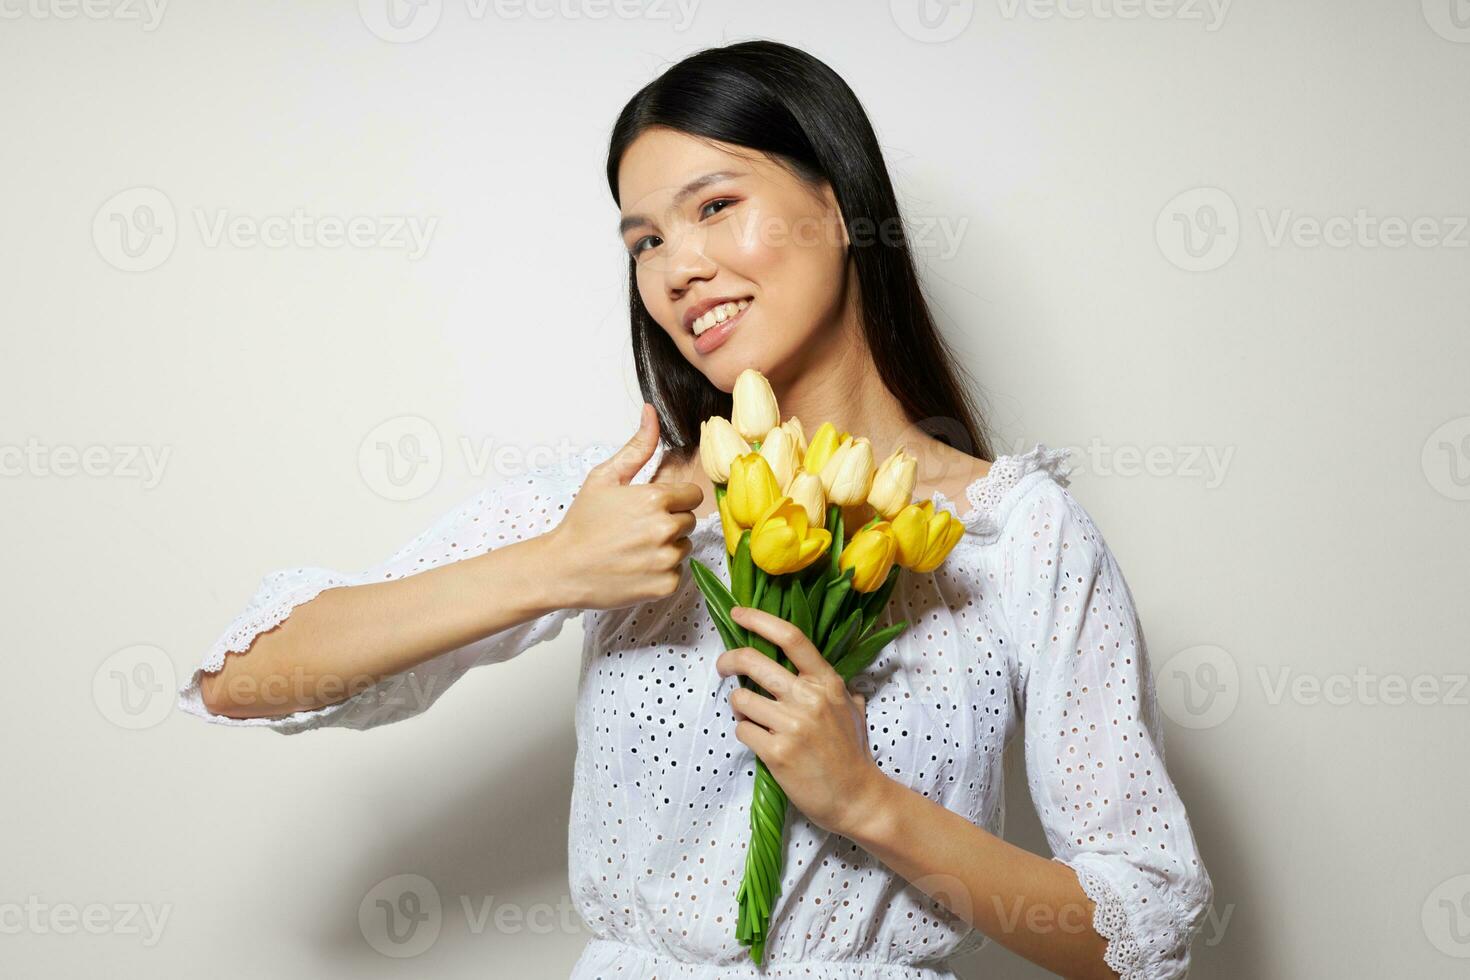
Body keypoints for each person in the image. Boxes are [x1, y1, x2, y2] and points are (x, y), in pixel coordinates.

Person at [180, 39, 1213, 980]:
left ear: (842, 201)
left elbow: (1145, 926)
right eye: (643, 241)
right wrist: (556, 567)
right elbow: (249, 678)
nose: (677, 268)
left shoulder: (1014, 535)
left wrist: (865, 800)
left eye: (714, 206)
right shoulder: (630, 509)